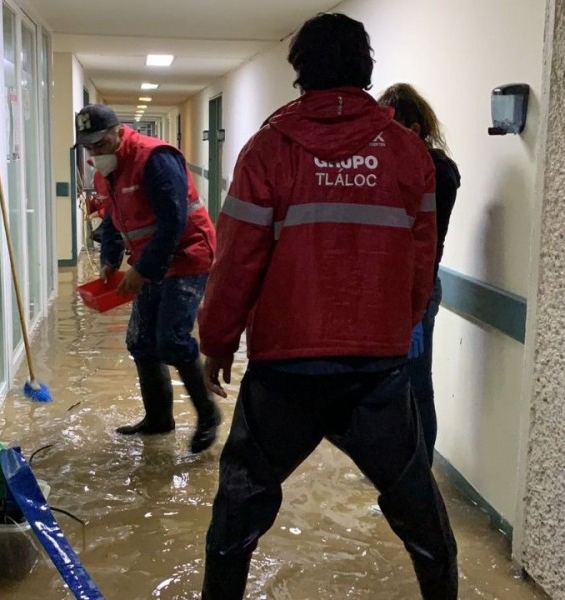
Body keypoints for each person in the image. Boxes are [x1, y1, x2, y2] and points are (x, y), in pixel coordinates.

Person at [197, 13, 457, 600]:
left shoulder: (269, 148)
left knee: (238, 517)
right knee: (421, 512)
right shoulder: (407, 152)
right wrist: (399, 328)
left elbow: (237, 259)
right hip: (376, 371)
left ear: (299, 71)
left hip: (287, 369)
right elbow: (422, 262)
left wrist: (216, 341)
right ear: (366, 69)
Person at [75, 104, 221, 454]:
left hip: (189, 253)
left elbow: (173, 222)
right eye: (88, 147)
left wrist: (142, 272)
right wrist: (110, 260)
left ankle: (208, 415)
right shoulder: (104, 171)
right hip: (152, 259)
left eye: (100, 143)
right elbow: (112, 219)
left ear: (119, 131)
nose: (95, 152)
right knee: (141, 342)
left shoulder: (155, 159)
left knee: (170, 339)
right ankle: (158, 420)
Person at [378, 84, 461, 465]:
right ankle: (395, 468)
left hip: (419, 289)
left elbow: (421, 238)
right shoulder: (400, 163)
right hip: (390, 290)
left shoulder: (438, 170)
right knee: (391, 385)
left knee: (415, 385)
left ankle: (419, 472)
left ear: (413, 127)